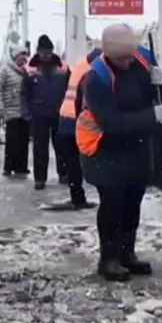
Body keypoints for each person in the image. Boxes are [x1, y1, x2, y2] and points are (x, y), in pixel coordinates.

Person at [76, 24, 162, 281]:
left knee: (132, 203)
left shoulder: (140, 63)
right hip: (106, 151)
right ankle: (109, 259)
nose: (128, 62)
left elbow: (161, 92)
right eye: (122, 59)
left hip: (136, 148)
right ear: (109, 54)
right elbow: (112, 122)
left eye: (130, 56)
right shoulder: (96, 79)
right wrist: (150, 116)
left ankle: (127, 253)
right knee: (112, 205)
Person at [57, 43, 103, 208]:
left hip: (65, 118)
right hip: (76, 121)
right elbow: (87, 101)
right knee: (86, 160)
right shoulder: (92, 72)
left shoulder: (80, 65)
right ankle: (80, 199)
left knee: (72, 162)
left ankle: (76, 196)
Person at [25, 34, 70, 190]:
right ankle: (39, 178)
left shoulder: (63, 67)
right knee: (40, 148)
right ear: (38, 52)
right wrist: (27, 112)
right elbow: (24, 93)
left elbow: (70, 88)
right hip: (38, 114)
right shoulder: (30, 69)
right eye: (44, 53)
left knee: (62, 146)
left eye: (49, 52)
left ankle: (64, 174)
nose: (47, 56)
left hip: (59, 112)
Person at [0, 47, 31, 176]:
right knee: (12, 140)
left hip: (24, 111)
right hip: (10, 110)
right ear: (16, 56)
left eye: (26, 55)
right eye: (22, 55)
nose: (24, 57)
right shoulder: (5, 70)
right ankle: (8, 167)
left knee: (24, 140)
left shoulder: (27, 70)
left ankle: (22, 166)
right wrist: (0, 107)